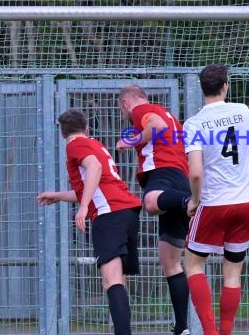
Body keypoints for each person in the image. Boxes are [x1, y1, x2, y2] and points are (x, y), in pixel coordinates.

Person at [37, 109, 142, 335]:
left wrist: (83, 208)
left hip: (110, 214)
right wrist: (58, 196)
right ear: (86, 127)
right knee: (118, 281)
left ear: (63, 133)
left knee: (110, 280)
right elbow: (93, 187)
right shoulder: (96, 145)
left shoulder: (75, 144)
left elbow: (94, 168)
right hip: (127, 211)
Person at [183, 64, 249, 335]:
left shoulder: (193, 123)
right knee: (233, 272)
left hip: (215, 203)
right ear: (226, 85)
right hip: (247, 202)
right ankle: (225, 332)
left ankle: (209, 332)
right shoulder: (243, 111)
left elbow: (195, 173)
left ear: (201, 88)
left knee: (192, 264)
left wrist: (194, 200)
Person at [116, 85, 191, 335]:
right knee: (170, 262)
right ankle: (182, 328)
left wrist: (132, 140)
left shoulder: (142, 110)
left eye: (121, 108)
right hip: (179, 178)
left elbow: (156, 127)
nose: (123, 112)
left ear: (127, 102)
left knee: (149, 202)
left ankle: (193, 202)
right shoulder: (170, 115)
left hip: (164, 174)